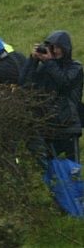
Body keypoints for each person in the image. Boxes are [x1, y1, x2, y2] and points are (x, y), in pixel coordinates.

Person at [23, 33, 82, 161]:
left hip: (68, 122)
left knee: (73, 166)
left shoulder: (75, 67)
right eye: (52, 47)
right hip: (48, 122)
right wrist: (33, 61)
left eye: (58, 47)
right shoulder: (47, 67)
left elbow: (65, 83)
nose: (55, 51)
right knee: (51, 165)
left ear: (65, 48)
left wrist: (50, 62)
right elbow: (25, 85)